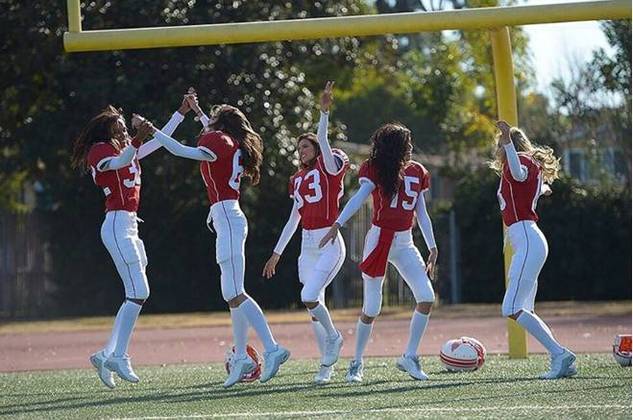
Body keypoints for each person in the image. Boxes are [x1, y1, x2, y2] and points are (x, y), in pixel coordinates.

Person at [138, 97, 290, 388]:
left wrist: (153, 130)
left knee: (234, 292)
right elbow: (209, 127)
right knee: (231, 296)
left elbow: (182, 150)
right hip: (226, 217)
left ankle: (272, 348)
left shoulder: (219, 140)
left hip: (229, 219)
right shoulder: (224, 138)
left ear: (221, 125)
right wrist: (196, 111)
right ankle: (243, 357)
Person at [71, 94, 192, 389]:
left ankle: (106, 354)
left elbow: (160, 142)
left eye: (127, 130)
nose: (125, 134)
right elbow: (123, 159)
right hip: (115, 224)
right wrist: (136, 138)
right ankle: (119, 355)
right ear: (107, 133)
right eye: (120, 130)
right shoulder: (99, 150)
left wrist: (180, 112)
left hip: (129, 225)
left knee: (133, 292)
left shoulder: (130, 149)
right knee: (139, 291)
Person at [319, 123, 438, 383]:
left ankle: (409, 355)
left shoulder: (417, 171)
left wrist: (432, 245)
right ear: (395, 147)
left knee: (426, 297)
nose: (409, 148)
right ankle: (356, 362)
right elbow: (359, 198)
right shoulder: (376, 169)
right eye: (405, 143)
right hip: (379, 238)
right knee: (372, 307)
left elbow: (422, 213)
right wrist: (337, 223)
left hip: (405, 242)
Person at [262, 81, 348, 384]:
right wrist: (276, 253)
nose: (302, 150)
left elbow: (324, 139)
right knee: (314, 307)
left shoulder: (328, 168)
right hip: (307, 243)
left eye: (306, 145)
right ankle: (327, 367)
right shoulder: (297, 179)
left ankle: (335, 338)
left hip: (328, 241)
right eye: (299, 147)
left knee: (309, 295)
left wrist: (323, 111)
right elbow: (292, 219)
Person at [492, 120, 576, 379]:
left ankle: (560, 354)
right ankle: (563, 360)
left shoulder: (519, 161)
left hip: (527, 239)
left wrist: (506, 141)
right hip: (527, 241)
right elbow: (534, 185)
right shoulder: (528, 164)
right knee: (523, 308)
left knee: (511, 308)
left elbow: (518, 174)